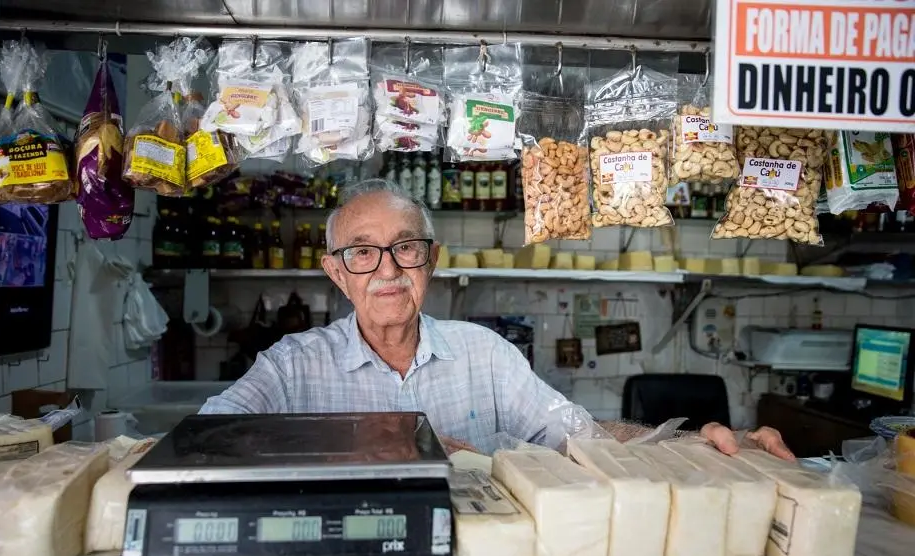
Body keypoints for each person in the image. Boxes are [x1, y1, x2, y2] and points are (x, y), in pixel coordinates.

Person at [200, 179, 793, 460]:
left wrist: (696, 443)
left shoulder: (483, 353)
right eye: (361, 252)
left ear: (431, 260)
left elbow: (580, 435)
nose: (388, 269)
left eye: (406, 247)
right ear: (336, 271)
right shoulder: (292, 365)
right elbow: (204, 439)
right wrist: (386, 441)